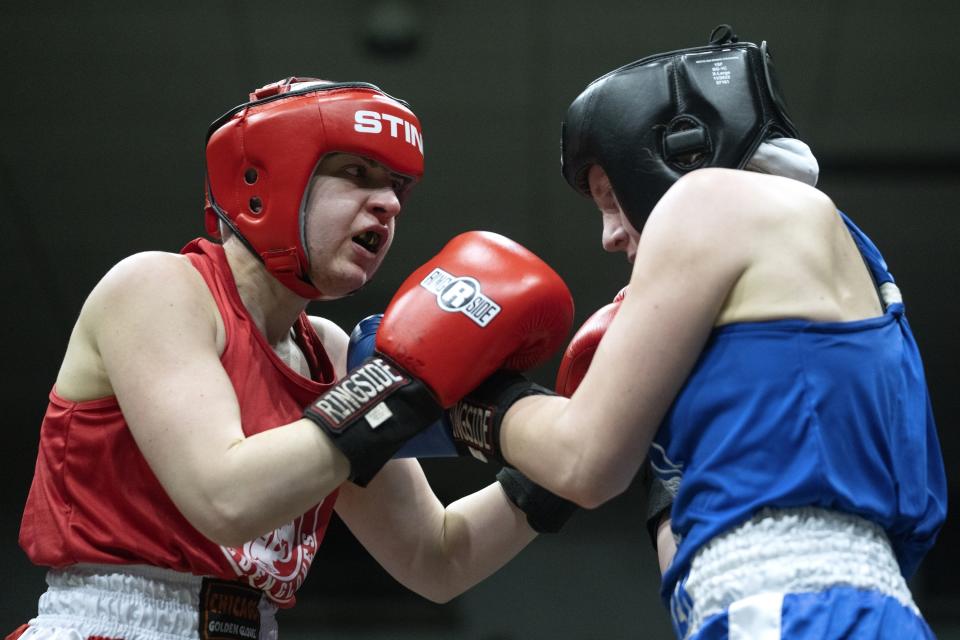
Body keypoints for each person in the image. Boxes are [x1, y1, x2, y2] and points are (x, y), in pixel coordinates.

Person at [11, 77, 576, 640]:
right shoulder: (158, 288)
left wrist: (564, 457)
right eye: (358, 173)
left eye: (397, 187)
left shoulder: (330, 354)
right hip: (111, 621)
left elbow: (438, 556)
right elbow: (225, 496)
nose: (387, 202)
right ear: (270, 177)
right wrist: (397, 386)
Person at [442, 25, 948, 639]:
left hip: (791, 610)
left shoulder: (709, 197)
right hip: (839, 608)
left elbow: (586, 463)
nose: (608, 235)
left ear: (677, 154)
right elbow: (698, 559)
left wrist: (469, 398)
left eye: (609, 196)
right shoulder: (849, 263)